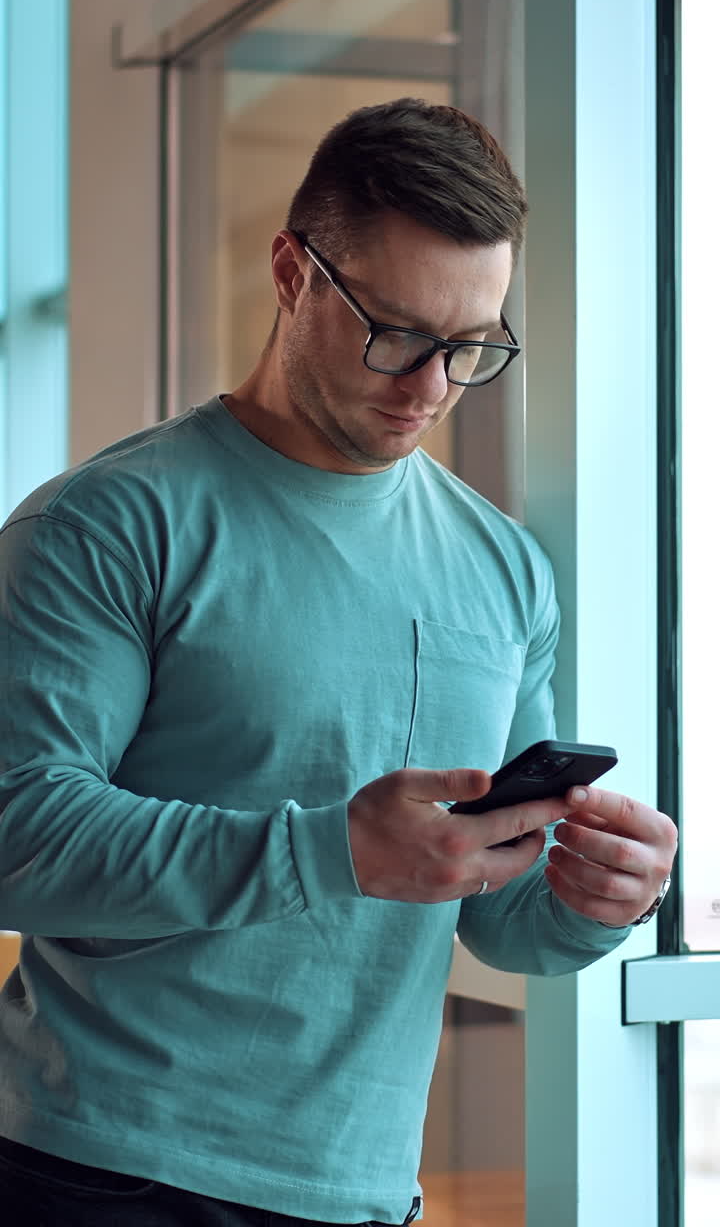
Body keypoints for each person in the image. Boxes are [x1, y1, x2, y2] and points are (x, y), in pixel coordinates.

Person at [0, 98, 677, 1227]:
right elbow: (16, 832)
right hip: (101, 1173)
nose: (429, 384)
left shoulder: (504, 568)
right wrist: (333, 848)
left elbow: (491, 908)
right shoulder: (109, 525)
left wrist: (595, 900)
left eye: (471, 347)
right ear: (290, 271)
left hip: (362, 1191)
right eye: (396, 331)